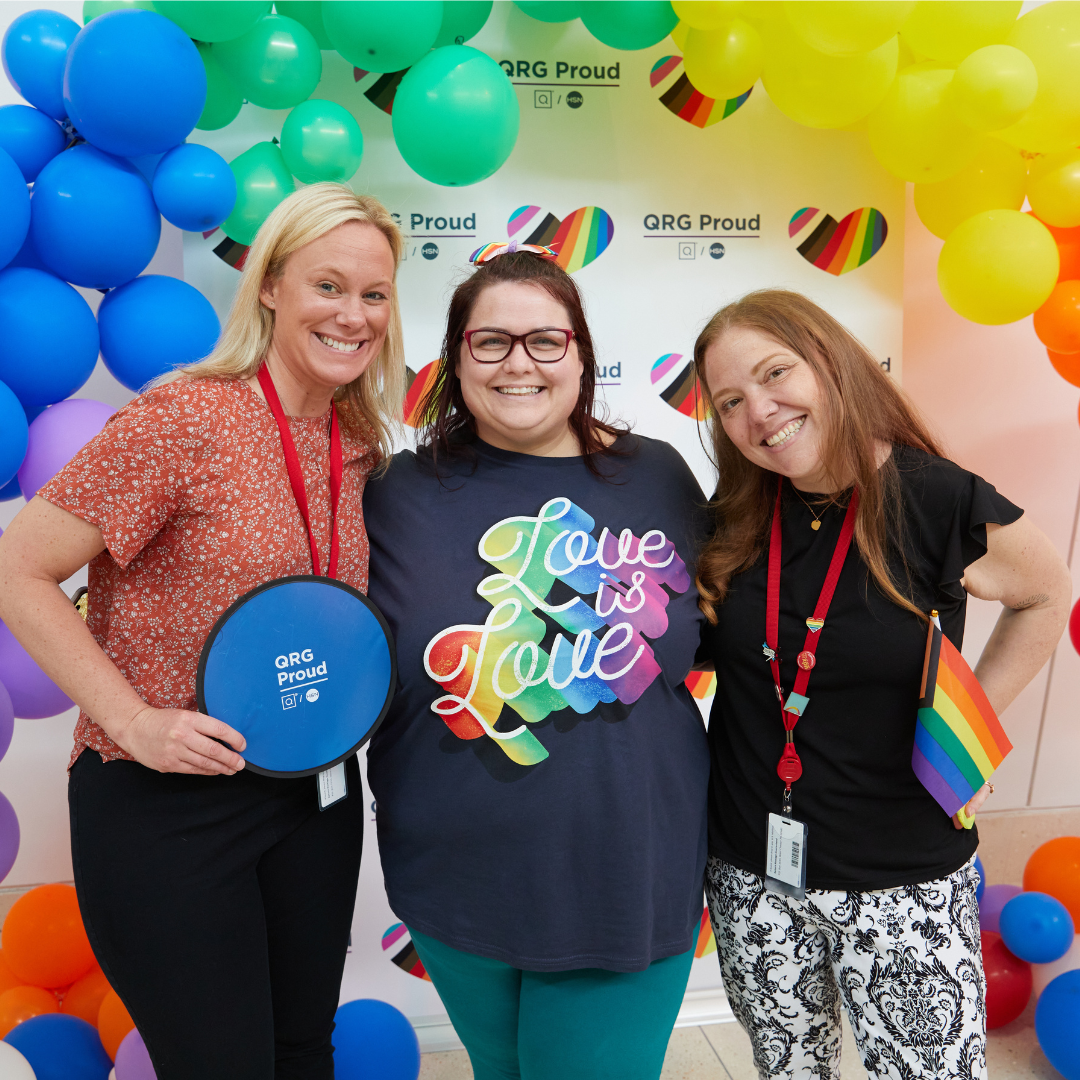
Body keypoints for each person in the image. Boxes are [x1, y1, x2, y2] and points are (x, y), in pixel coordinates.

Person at [0, 183, 405, 1080]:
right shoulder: (182, 420)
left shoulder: (360, 438)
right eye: (327, 287)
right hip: (169, 805)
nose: (353, 315)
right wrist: (135, 721)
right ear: (269, 286)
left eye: (373, 294)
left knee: (303, 1053)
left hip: (312, 796)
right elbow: (17, 569)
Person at [693, 289, 1071, 1080]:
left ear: (830, 363)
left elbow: (1045, 595)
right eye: (730, 401)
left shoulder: (936, 497)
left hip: (902, 878)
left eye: (775, 373)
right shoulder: (732, 516)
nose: (759, 411)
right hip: (751, 874)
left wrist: (969, 727)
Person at [362, 243, 709, 1080]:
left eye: (546, 340)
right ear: (455, 359)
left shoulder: (655, 475)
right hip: (454, 880)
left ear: (582, 354)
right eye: (491, 342)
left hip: (624, 872)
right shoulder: (396, 491)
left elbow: (743, 620)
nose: (520, 363)